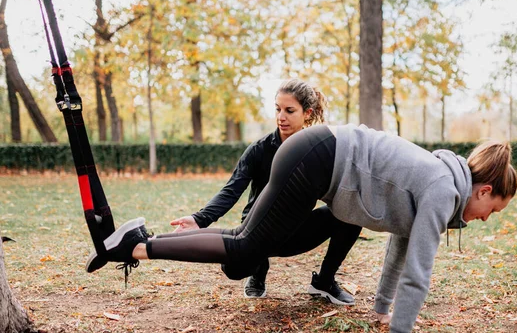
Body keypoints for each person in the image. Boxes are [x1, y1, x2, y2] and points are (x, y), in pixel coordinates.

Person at [86, 123, 517, 333]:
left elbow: (401, 247)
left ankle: (139, 241)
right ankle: (133, 247)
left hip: (316, 153)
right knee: (245, 250)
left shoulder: (442, 180)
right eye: (492, 210)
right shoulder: (444, 189)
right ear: (483, 191)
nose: (484, 219)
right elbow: (420, 269)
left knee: (244, 244)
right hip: (317, 158)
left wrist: (384, 312)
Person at [95, 78, 361, 305]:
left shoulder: (318, 151)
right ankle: (257, 268)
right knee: (233, 269)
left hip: (296, 230)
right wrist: (200, 218)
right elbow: (231, 190)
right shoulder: (259, 150)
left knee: (351, 213)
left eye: (290, 110)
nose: (281, 117)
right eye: (278, 109)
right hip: (259, 230)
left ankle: (325, 281)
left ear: (308, 113)